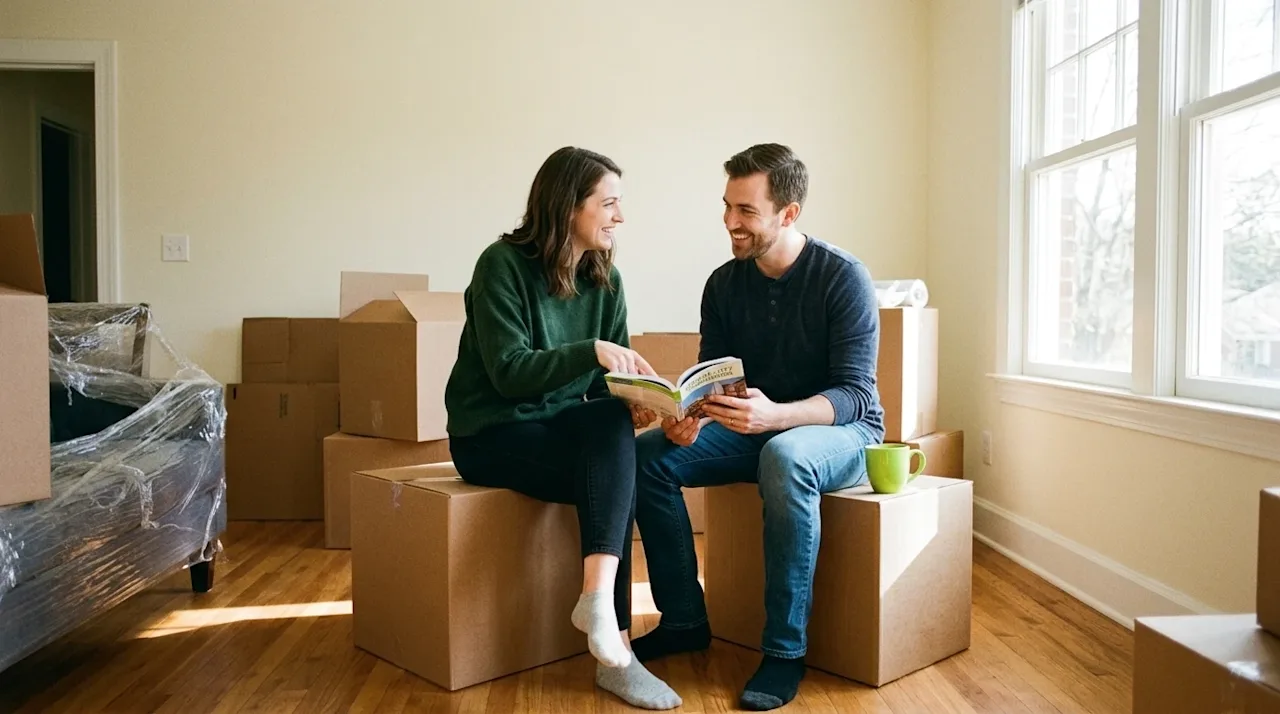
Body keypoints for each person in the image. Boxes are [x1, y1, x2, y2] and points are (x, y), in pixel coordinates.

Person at [629, 143, 885, 711]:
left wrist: (779, 416)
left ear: (789, 213)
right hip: (755, 427)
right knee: (646, 459)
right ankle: (684, 620)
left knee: (787, 456)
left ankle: (785, 651)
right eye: (726, 206)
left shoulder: (843, 278)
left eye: (745, 210)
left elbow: (855, 395)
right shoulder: (723, 284)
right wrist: (689, 418)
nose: (730, 222)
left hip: (840, 431)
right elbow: (716, 377)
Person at [443, 146, 680, 710]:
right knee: (612, 475)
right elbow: (508, 374)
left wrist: (638, 404)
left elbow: (596, 391)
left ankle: (599, 607)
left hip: (555, 428)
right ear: (568, 205)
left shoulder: (607, 280)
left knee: (612, 436)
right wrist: (592, 352)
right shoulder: (500, 265)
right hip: (489, 434)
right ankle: (616, 651)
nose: (620, 217)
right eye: (609, 203)